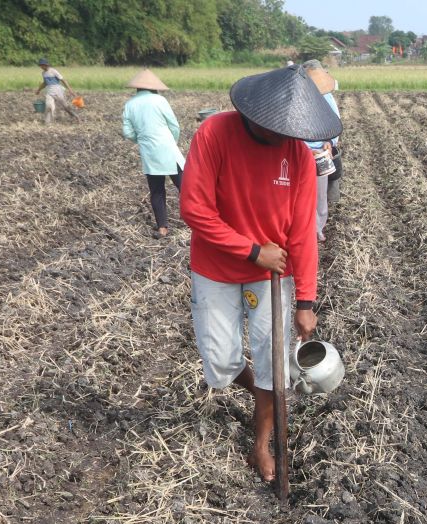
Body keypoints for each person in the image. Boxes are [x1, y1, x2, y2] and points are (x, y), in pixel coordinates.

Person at [179, 65, 342, 481]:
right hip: (217, 268)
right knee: (221, 363)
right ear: (253, 114)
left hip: (274, 276)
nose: (285, 137)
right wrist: (253, 251)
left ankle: (261, 443)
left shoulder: (300, 158)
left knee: (275, 365)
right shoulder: (214, 134)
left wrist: (305, 300)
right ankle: (263, 394)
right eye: (277, 128)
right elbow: (195, 210)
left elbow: (303, 234)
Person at [121, 69, 185, 238]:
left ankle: (162, 228)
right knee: (186, 187)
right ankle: (197, 221)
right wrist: (172, 142)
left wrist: (142, 139)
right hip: (168, 149)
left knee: (157, 190)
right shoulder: (160, 100)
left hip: (149, 152)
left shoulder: (129, 105)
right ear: (154, 88)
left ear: (137, 89)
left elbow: (127, 132)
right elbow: (174, 126)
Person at [301, 60, 341, 241]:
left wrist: (329, 143)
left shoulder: (326, 97)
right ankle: (301, 229)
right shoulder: (297, 99)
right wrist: (302, 149)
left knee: (319, 196)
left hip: (320, 154)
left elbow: (335, 123)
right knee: (298, 196)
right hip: (299, 151)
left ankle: (317, 229)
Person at [35, 58, 78, 123]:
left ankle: (76, 116)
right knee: (48, 106)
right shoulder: (43, 73)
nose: (41, 67)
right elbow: (45, 83)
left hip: (58, 91)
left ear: (46, 65)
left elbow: (63, 80)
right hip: (49, 92)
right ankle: (48, 122)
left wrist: (70, 90)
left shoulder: (53, 71)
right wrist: (38, 90)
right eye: (40, 65)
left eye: (42, 65)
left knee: (65, 107)